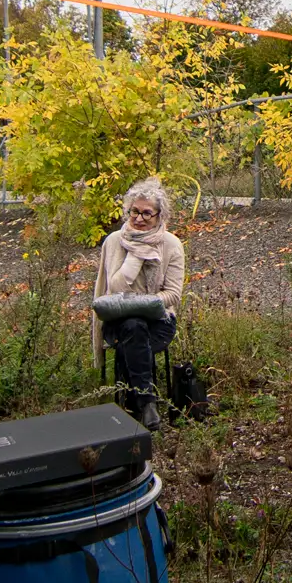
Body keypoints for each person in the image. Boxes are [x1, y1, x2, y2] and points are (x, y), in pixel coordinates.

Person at [93, 177, 186, 430]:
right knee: (132, 326)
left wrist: (145, 304)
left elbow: (173, 295)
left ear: (159, 216)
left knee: (135, 328)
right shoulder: (114, 241)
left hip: (159, 323)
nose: (139, 218)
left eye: (147, 213)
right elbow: (116, 289)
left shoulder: (171, 244)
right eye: (134, 211)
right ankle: (147, 404)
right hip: (118, 323)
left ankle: (133, 405)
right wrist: (136, 255)